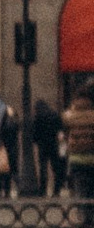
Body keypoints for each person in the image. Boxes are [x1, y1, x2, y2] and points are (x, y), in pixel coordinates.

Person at [67, 82, 94, 214]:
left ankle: (83, 220)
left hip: (76, 158)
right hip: (92, 157)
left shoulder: (71, 116)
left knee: (81, 192)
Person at [31, 93, 64, 198]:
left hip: (43, 146)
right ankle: (56, 190)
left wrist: (36, 141)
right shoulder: (55, 115)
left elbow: (35, 133)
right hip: (54, 144)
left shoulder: (38, 117)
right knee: (56, 168)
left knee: (43, 168)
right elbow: (60, 130)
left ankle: (43, 190)